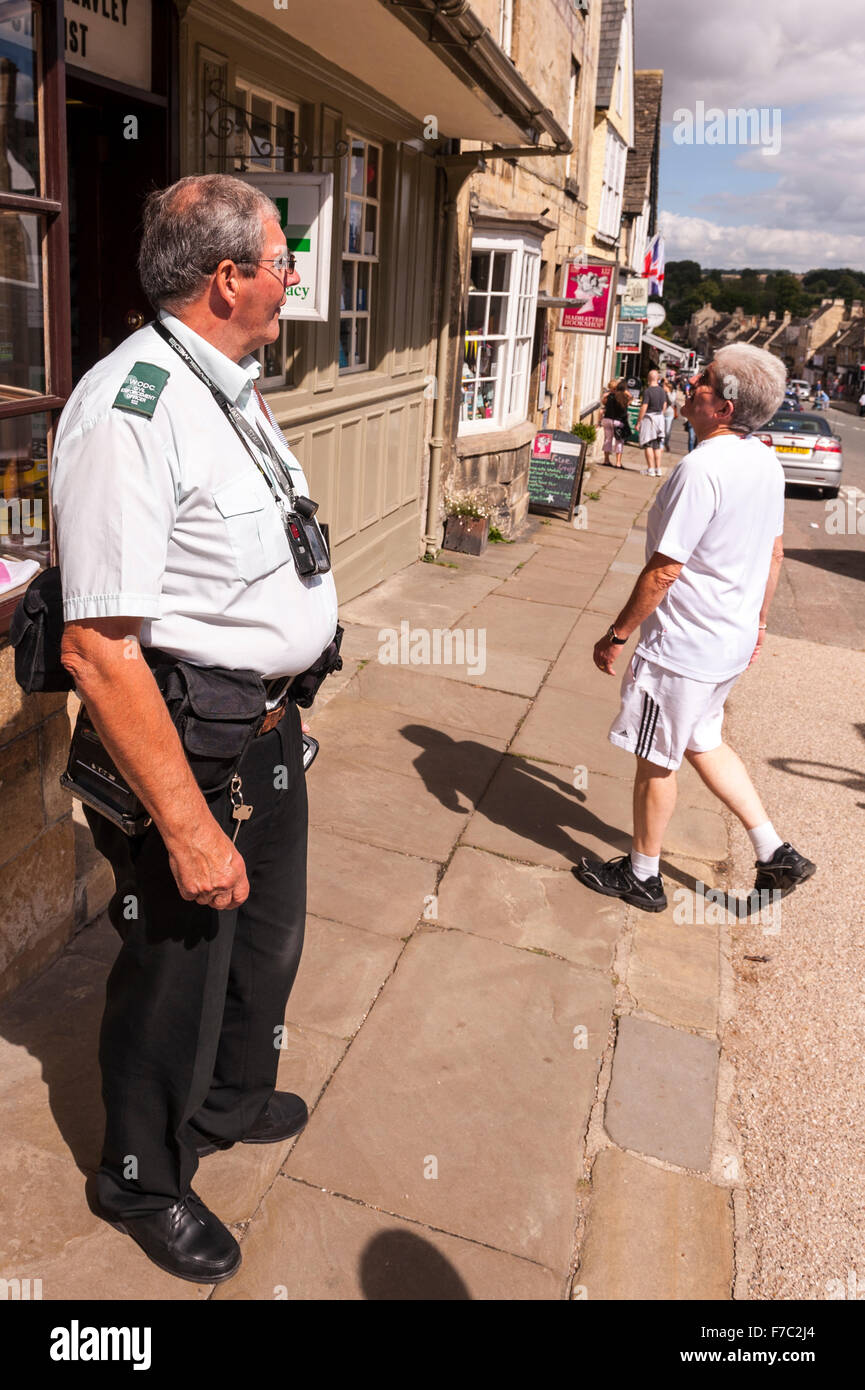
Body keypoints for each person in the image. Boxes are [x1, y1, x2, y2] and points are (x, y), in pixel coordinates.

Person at [52, 174, 339, 1284]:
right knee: (175, 978)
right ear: (228, 278)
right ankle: (140, 1175)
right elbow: (99, 649)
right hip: (187, 746)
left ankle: (223, 1106)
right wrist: (183, 825)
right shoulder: (131, 404)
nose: (290, 275)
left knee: (263, 953)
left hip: (264, 728)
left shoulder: (228, 382)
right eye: (280, 257)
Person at [575, 342, 815, 914]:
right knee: (704, 741)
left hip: (684, 647)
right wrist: (758, 625)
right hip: (727, 642)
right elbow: (774, 554)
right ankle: (774, 850)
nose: (693, 384)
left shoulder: (702, 467)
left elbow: (664, 570)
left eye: (705, 380)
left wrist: (616, 634)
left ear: (725, 406)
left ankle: (644, 877)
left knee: (655, 758)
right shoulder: (764, 461)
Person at [637, 368, 668, 476]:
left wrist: (638, 422)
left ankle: (650, 469)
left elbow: (644, 406)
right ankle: (658, 469)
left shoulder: (648, 391)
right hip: (659, 418)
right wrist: (660, 415)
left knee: (648, 444)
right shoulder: (662, 390)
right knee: (657, 445)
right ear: (657, 378)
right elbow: (664, 405)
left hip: (649, 419)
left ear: (648, 378)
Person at [601, 377, 631, 467]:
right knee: (619, 441)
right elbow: (630, 398)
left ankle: (606, 460)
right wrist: (625, 392)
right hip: (617, 422)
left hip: (607, 420)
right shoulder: (622, 398)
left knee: (607, 440)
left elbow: (603, 403)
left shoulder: (608, 396)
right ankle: (618, 462)